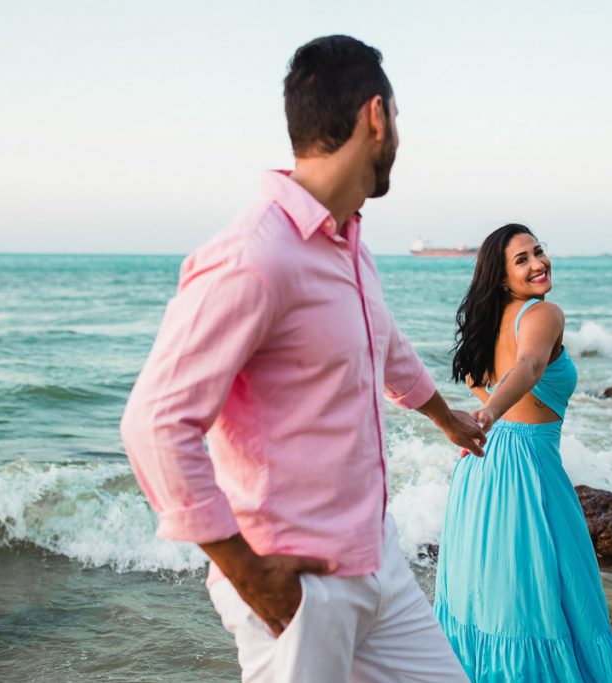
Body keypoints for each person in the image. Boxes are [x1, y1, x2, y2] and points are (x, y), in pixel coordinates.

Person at [120, 35, 483, 682]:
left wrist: (444, 417)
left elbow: (384, 346)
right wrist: (246, 569)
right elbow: (153, 422)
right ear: (375, 117)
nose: (398, 133)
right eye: (396, 118)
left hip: (378, 560)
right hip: (296, 585)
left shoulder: (350, 244)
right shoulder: (256, 257)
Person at [434, 224, 612, 681]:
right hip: (526, 472)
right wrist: (486, 417)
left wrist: (483, 416)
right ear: (502, 278)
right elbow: (530, 366)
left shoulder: (486, 329)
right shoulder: (542, 314)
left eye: (537, 252)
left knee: (492, 597)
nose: (538, 263)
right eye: (521, 259)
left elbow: (497, 388)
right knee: (541, 600)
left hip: (480, 470)